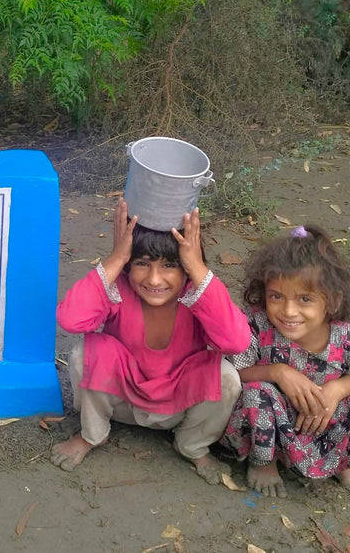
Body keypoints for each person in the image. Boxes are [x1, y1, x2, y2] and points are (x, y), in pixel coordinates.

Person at [51, 199, 250, 484]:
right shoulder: (119, 288)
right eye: (142, 264)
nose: (155, 279)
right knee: (86, 353)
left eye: (170, 265)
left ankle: (192, 446)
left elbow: (236, 341)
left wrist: (197, 265)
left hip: (179, 405)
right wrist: (117, 257)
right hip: (121, 401)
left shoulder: (196, 295)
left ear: (187, 271)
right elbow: (71, 319)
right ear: (128, 267)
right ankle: (92, 435)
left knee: (227, 377)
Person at [222, 224, 350, 497]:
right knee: (258, 393)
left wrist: (338, 388)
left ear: (332, 300)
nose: (289, 311)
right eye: (276, 296)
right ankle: (264, 461)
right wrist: (277, 372)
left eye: (305, 299)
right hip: (267, 424)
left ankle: (340, 460)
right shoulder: (256, 324)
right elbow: (234, 371)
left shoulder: (343, 333)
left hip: (320, 420)